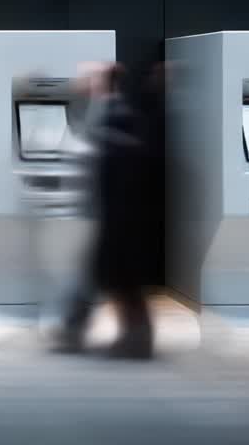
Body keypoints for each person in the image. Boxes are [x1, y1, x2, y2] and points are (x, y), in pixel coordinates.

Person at [54, 61, 154, 359]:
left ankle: (134, 340)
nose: (80, 81)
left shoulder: (115, 115)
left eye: (88, 76)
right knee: (105, 277)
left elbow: (112, 166)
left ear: (101, 81)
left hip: (116, 216)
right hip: (111, 215)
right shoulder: (107, 113)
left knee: (116, 279)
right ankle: (78, 331)